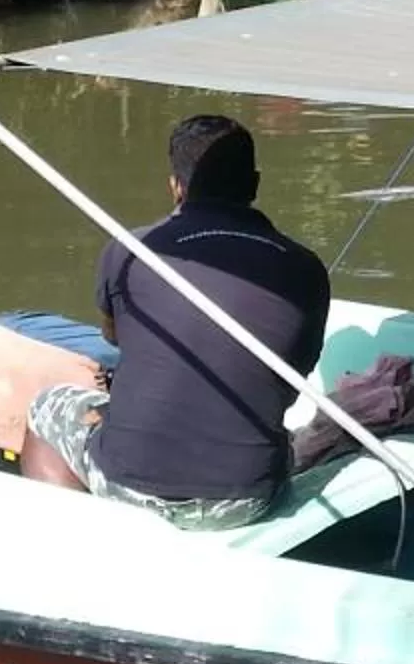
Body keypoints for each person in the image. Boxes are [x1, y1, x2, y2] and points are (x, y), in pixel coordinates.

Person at [20, 114, 331, 529]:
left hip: (131, 486)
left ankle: (64, 536)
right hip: (249, 497)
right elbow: (293, 377)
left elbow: (115, 337)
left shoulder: (131, 250)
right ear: (255, 184)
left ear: (175, 187)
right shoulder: (307, 269)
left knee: (47, 406)